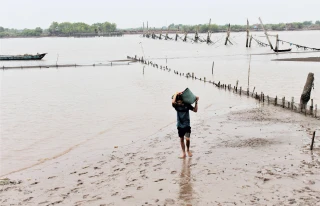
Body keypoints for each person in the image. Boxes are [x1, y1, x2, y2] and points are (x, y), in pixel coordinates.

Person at [172, 92, 199, 158]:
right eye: (177, 102)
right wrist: (176, 93)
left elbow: (195, 110)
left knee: (187, 139)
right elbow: (173, 102)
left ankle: (188, 150)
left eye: (180, 102)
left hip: (187, 125)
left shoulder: (187, 105)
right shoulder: (176, 106)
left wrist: (196, 102)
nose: (179, 103)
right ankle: (183, 152)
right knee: (181, 139)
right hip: (179, 125)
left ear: (182, 101)